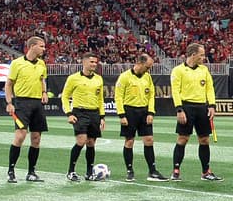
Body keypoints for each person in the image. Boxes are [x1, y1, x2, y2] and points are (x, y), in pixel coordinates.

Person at [170, 43, 221, 181]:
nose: (204, 57)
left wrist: (212, 105)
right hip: (186, 107)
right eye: (202, 55)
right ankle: (175, 171)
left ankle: (206, 172)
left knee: (204, 140)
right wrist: (179, 109)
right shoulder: (178, 70)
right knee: (183, 138)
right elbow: (175, 91)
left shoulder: (204, 70)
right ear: (193, 55)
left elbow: (209, 88)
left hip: (202, 108)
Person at [114, 53, 166, 182]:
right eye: (147, 67)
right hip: (129, 111)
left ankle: (152, 171)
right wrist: (121, 115)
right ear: (140, 63)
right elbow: (118, 97)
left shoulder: (147, 77)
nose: (148, 70)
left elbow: (151, 95)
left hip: (144, 112)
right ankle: (130, 170)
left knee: (149, 140)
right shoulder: (124, 77)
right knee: (129, 141)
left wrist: (150, 112)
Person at [5, 36, 50, 184]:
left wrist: (44, 92)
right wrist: (9, 102)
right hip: (21, 103)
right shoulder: (17, 63)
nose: (44, 49)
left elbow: (42, 79)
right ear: (32, 46)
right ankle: (11, 171)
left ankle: (31, 172)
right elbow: (9, 84)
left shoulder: (42, 64)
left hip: (37, 103)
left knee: (36, 139)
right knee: (20, 136)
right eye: (41, 46)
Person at [60, 53, 106, 182]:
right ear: (84, 62)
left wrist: (102, 117)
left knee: (91, 143)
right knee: (81, 140)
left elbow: (100, 99)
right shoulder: (73, 78)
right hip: (79, 112)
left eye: (95, 62)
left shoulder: (99, 79)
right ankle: (71, 171)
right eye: (91, 62)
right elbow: (65, 96)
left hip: (94, 113)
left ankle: (89, 172)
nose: (94, 64)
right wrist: (69, 113)